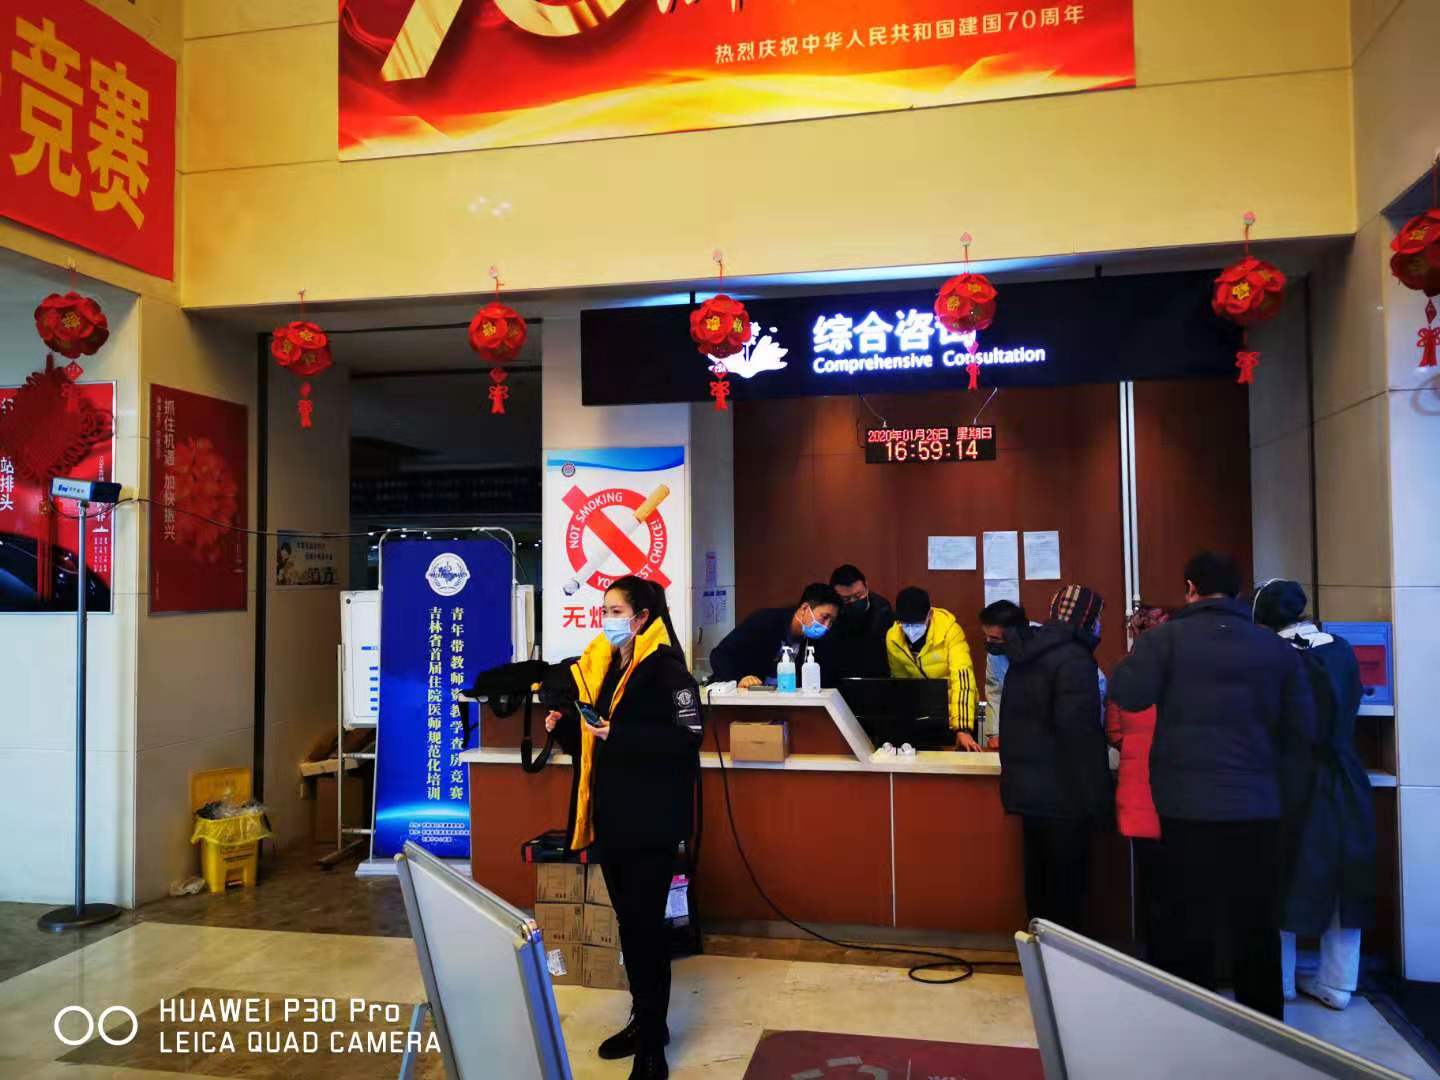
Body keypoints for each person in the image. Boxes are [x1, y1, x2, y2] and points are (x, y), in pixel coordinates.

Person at [1109, 552, 1316, 1021]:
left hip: (1185, 807)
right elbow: (1301, 732)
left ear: (1190, 588)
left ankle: (1192, 1024)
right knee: (1255, 924)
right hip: (1257, 806)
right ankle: (1263, 1027)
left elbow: (1128, 695)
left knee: (1188, 920)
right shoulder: (1276, 649)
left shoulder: (1164, 641)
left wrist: (1140, 646)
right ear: (1240, 591)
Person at [544, 576, 701, 1079]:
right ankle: (644, 1020)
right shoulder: (609, 667)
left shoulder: (668, 670)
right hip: (612, 820)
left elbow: (688, 737)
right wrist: (567, 730)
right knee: (630, 927)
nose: (606, 619)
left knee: (647, 929)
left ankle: (653, 1045)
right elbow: (598, 742)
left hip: (652, 822)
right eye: (604, 610)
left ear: (642, 617)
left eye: (615, 611)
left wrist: (621, 732)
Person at [1254, 579, 1377, 1012]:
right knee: (1347, 878)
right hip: (1344, 773)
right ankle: (1338, 983)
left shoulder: (1271, 654)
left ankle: (1280, 980)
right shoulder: (1340, 648)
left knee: (1279, 874)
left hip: (1289, 777)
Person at [998, 585, 1113, 932]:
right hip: (1066, 798)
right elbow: (1080, 736)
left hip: (1029, 794)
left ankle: (1038, 957)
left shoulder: (1023, 653)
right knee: (1067, 895)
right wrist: (1099, 801)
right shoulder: (1075, 659)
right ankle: (1063, 964)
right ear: (1087, 619)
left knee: (1039, 887)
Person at [1104, 603, 1170, 954]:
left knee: (1149, 882)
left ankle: (1149, 957)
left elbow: (1114, 731)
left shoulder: (1125, 671)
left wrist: (1135, 747)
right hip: (1183, 792)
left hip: (1137, 790)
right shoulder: (1188, 670)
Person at [884, 587, 980, 750]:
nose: (911, 629)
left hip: (957, 713)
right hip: (922, 716)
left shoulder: (950, 631)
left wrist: (962, 728)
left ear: (929, 614)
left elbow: (963, 678)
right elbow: (901, 683)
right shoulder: (893, 638)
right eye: (905, 623)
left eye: (917, 623)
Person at [709, 582, 841, 688]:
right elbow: (719, 655)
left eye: (831, 622)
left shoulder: (817, 641)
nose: (826, 626)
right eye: (825, 617)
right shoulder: (765, 621)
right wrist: (739, 679)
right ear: (805, 608)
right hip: (745, 697)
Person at [825, 564, 894, 678]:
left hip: (874, 674)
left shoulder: (882, 609)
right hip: (839, 672)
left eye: (858, 595)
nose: (853, 601)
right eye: (846, 599)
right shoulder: (831, 611)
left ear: (866, 585)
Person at [978, 599, 1029, 748]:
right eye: (986, 636)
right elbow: (995, 691)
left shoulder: (1044, 646)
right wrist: (995, 733)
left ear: (1014, 633)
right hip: (1016, 726)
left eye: (994, 638)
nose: (989, 641)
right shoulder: (994, 654)